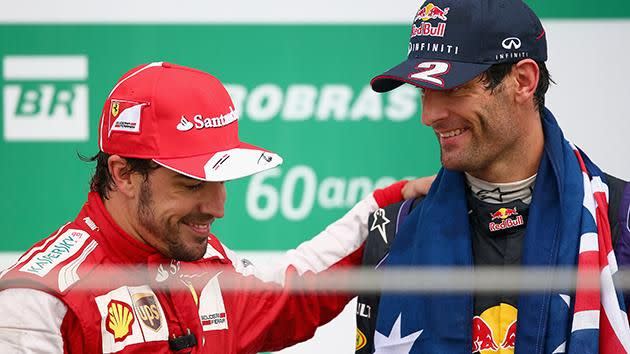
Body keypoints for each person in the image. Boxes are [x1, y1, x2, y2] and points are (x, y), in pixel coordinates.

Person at [0, 62, 432, 354]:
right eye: (191, 183)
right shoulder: (38, 299)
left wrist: (390, 203)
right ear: (123, 174)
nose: (217, 206)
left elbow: (292, 295)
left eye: (221, 178)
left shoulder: (203, 264)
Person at [355, 1, 630, 353]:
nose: (430, 115)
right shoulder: (392, 233)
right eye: (424, 91)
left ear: (523, 81)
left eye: (453, 88)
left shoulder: (619, 220)